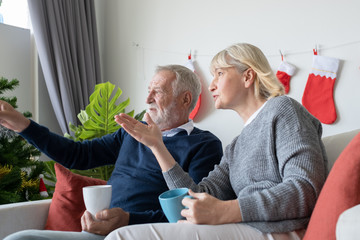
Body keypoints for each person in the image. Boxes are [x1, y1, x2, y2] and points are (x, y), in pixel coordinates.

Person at [108, 43, 328, 240]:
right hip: (247, 226)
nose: (211, 86)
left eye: (219, 73)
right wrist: (157, 146)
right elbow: (196, 196)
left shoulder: (282, 110)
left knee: (122, 237)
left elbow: (305, 189)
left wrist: (225, 211)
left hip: (279, 230)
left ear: (247, 76)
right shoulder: (236, 146)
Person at [0, 65, 223, 240]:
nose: (147, 100)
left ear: (185, 99)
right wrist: (23, 125)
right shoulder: (131, 132)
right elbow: (78, 155)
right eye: (148, 92)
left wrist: (128, 220)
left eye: (158, 92)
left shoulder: (204, 145)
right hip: (101, 231)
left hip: (142, 234)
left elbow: (190, 210)